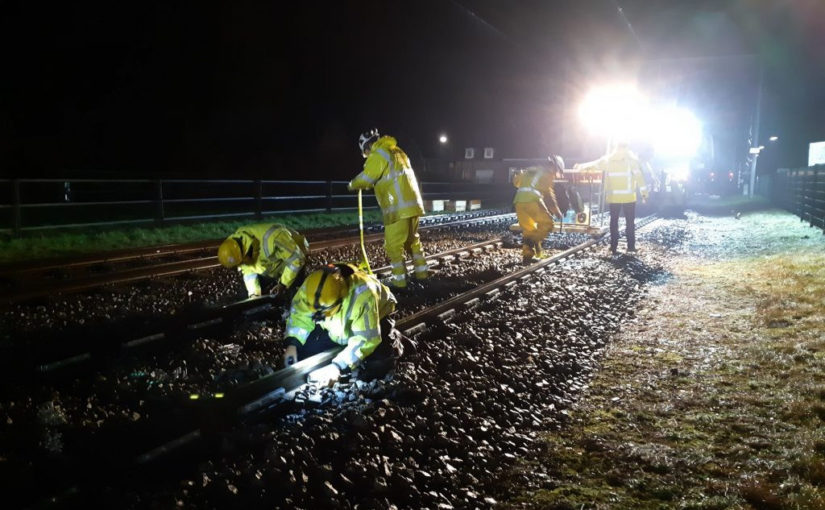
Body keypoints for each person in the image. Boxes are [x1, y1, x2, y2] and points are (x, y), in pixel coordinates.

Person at [282, 263, 399, 385]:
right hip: (340, 323)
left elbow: (366, 338)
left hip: (378, 316)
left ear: (340, 299)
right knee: (308, 349)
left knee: (378, 364)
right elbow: (300, 314)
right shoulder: (311, 288)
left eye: (324, 311)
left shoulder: (362, 296)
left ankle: (395, 339)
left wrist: (338, 366)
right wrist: (293, 344)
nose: (319, 315)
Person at [348, 129, 427, 288]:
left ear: (368, 145)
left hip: (398, 209)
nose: (367, 154)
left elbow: (368, 176)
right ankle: (423, 274)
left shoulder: (379, 154)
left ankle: (399, 283)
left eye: (366, 151)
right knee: (412, 243)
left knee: (393, 246)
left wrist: (352, 184)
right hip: (413, 207)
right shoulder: (398, 151)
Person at [574, 141, 649, 254]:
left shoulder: (608, 160)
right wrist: (644, 194)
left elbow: (595, 165)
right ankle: (631, 247)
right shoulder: (632, 161)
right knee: (630, 222)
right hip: (629, 198)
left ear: (615, 147)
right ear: (627, 148)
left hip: (614, 198)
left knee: (613, 222)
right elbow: (640, 178)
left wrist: (581, 167)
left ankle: (613, 247)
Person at [217, 223, 309, 298]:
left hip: (296, 256)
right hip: (271, 266)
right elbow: (249, 272)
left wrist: (283, 284)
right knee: (248, 293)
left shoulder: (273, 237)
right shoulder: (238, 247)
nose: (240, 266)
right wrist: (254, 294)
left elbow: (296, 260)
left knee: (292, 294)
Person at [512, 155, 564, 262]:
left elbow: (516, 182)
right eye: (557, 170)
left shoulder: (530, 171)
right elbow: (549, 196)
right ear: (554, 167)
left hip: (519, 202)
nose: (555, 174)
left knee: (529, 230)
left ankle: (529, 255)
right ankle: (530, 243)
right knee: (547, 224)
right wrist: (557, 211)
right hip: (532, 202)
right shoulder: (547, 174)